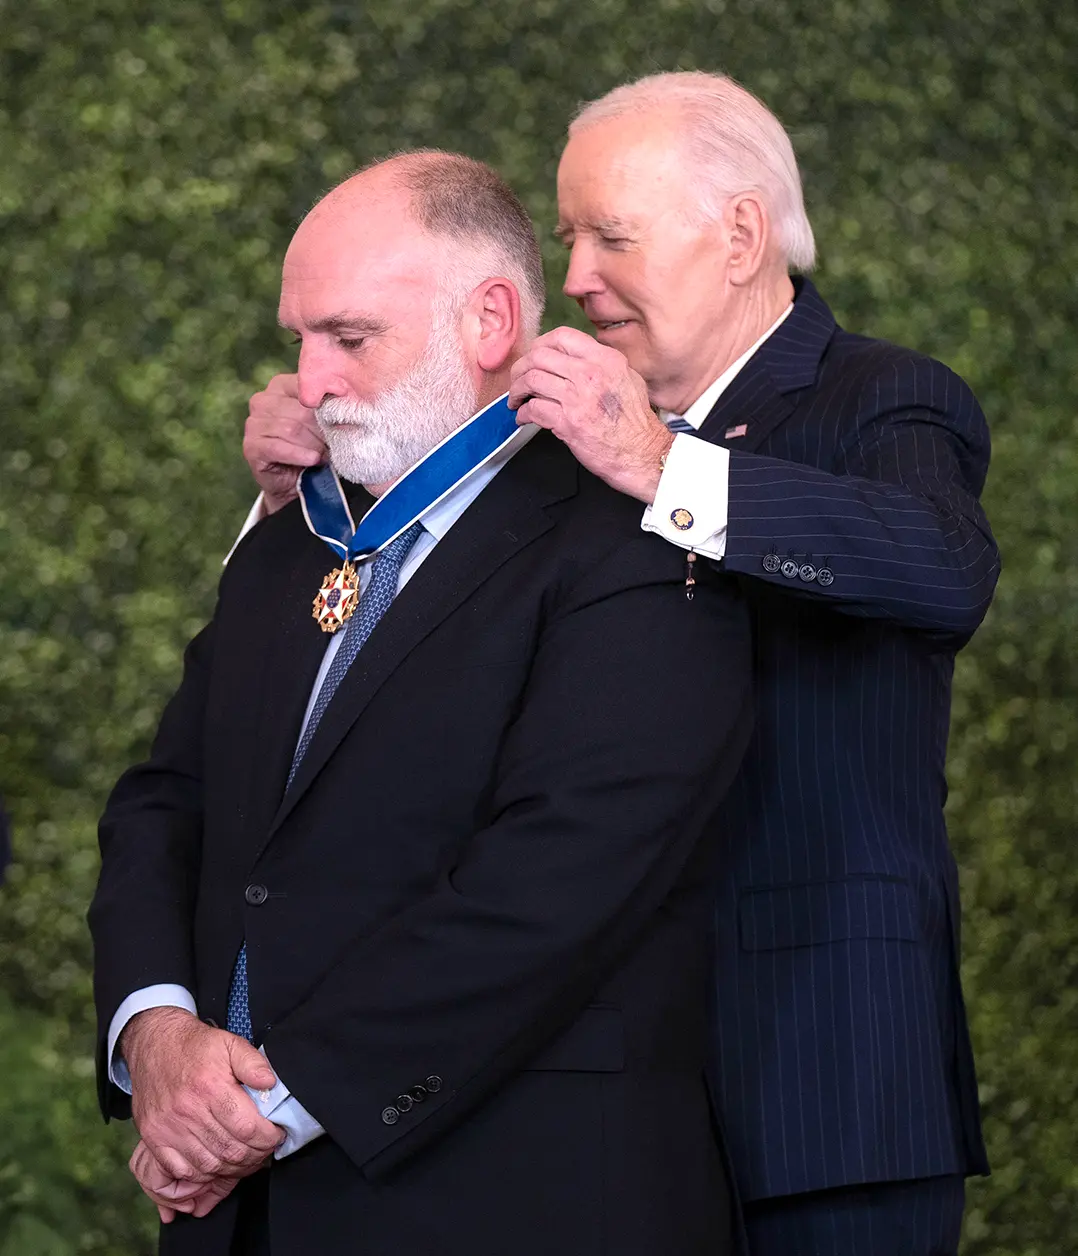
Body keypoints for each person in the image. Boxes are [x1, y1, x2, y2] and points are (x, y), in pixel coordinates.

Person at [242, 74, 1000, 1256]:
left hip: (820, 1084)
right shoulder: (559, 433)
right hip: (588, 1106)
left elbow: (942, 571)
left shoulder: (881, 398)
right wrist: (317, 474)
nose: (580, 274)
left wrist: (661, 466)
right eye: (569, 238)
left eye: (612, 235)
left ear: (740, 232)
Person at [89, 150, 755, 1256]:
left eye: (348, 339)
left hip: (511, 1201)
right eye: (297, 339)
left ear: (489, 319)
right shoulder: (294, 533)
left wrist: (261, 1104)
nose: (309, 382)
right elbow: (165, 801)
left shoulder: (636, 537)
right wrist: (155, 1035)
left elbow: (561, 874)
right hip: (239, 1216)